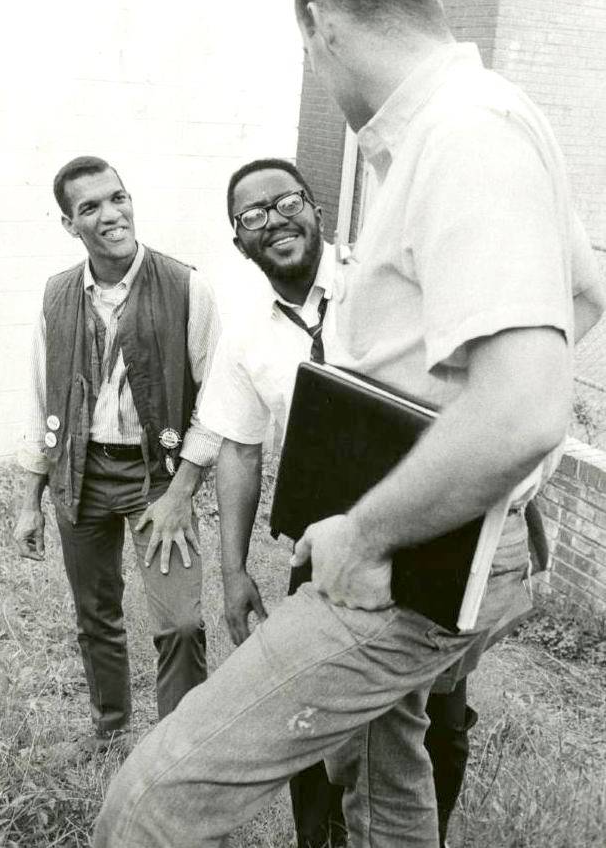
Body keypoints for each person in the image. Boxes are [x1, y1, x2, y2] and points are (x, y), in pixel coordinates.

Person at [94, 0, 604, 847]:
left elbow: (528, 405)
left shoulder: (464, 134)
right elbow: (584, 289)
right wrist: (443, 401)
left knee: (149, 802)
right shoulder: (486, 119)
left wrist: (371, 531)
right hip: (429, 546)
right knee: (383, 772)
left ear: (319, 25)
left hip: (406, 559)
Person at [199, 156, 480, 848]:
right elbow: (237, 448)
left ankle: (417, 834)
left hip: (426, 531)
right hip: (319, 546)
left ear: (315, 206)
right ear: (240, 242)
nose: (274, 220)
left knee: (434, 715)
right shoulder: (243, 335)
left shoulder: (385, 283)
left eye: (286, 200)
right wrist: (232, 572)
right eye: (252, 216)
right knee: (314, 714)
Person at [13, 155, 221, 750]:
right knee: (95, 614)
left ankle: (177, 748)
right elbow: (39, 396)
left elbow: (217, 401)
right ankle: (110, 729)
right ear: (68, 223)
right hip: (78, 469)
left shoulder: (187, 286)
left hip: (157, 473)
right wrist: (29, 498)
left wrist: (181, 491)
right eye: (90, 207)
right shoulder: (56, 296)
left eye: (118, 198)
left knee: (180, 621)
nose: (111, 215)